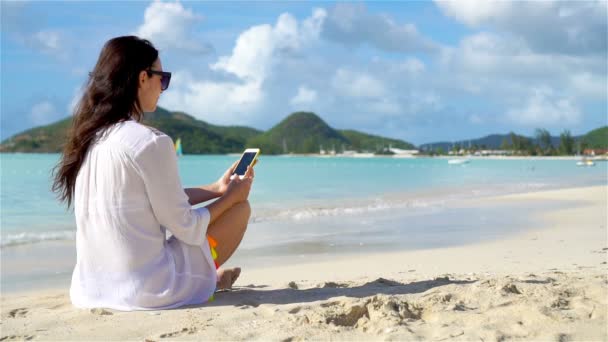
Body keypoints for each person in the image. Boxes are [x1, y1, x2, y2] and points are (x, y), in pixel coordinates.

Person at [52, 36, 254, 311]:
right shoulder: (151, 142)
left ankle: (207, 278)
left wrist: (217, 189)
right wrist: (232, 197)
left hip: (88, 292)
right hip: (147, 292)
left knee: (223, 208)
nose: (164, 88)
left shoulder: (88, 139)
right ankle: (206, 280)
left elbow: (145, 200)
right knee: (239, 210)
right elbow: (186, 226)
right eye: (163, 78)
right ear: (143, 78)